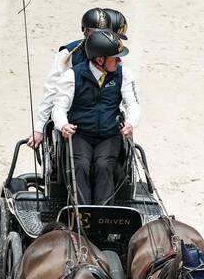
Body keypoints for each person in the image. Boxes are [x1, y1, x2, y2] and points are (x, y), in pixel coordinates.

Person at [52, 30, 140, 205]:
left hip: (109, 136)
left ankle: (104, 214)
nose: (119, 60)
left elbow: (132, 105)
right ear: (100, 60)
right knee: (80, 166)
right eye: (115, 57)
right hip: (80, 135)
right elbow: (59, 108)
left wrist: (130, 122)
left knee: (104, 165)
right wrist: (63, 125)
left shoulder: (123, 75)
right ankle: (82, 213)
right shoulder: (72, 76)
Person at [27, 8, 128, 148]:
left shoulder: (112, 55)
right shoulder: (68, 54)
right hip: (73, 118)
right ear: (85, 31)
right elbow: (51, 91)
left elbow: (119, 91)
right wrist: (39, 128)